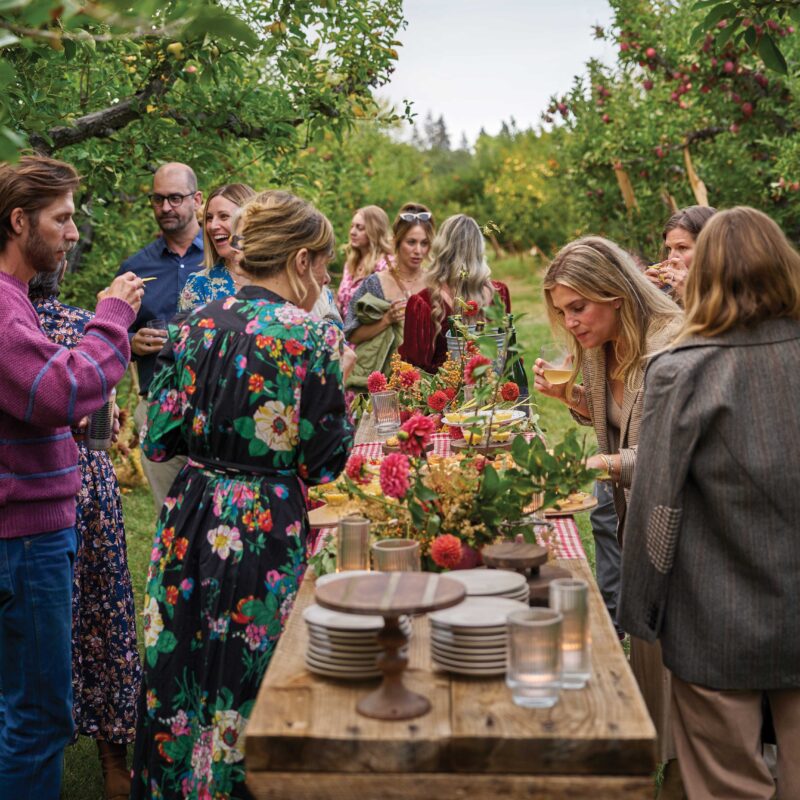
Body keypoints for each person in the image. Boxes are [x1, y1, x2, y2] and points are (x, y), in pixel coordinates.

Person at [131, 190, 354, 799]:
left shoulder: (194, 325)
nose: (326, 279)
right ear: (303, 260)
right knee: (251, 674)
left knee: (184, 668)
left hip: (191, 512)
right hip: (264, 525)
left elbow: (159, 438)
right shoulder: (314, 336)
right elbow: (330, 460)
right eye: (326, 265)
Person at [619, 207, 800, 800]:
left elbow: (657, 506)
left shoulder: (684, 369)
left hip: (715, 616)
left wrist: (639, 614)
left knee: (728, 787)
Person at [0, 155, 142, 798]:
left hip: (27, 530)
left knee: (22, 708)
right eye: (62, 218)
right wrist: (112, 315)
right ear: (19, 220)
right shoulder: (5, 308)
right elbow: (60, 391)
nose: (74, 231)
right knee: (38, 718)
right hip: (24, 540)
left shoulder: (17, 303)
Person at [534, 236, 684, 794]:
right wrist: (575, 402)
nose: (570, 323)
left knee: (683, 677)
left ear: (617, 293)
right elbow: (622, 425)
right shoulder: (603, 347)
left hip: (683, 531)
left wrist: (595, 463)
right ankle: (663, 763)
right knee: (650, 668)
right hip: (639, 526)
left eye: (578, 307)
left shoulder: (671, 347)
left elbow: (672, 456)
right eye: (561, 311)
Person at [29, 269, 141, 800]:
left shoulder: (71, 324)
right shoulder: (80, 325)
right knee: (100, 610)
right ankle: (112, 757)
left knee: (72, 614)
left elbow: (106, 417)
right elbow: (103, 423)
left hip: (63, 484)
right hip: (77, 484)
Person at [117, 161, 204, 514]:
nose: (166, 207)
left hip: (214, 406)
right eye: (158, 199)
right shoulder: (135, 269)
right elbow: (112, 333)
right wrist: (132, 342)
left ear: (197, 199)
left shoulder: (224, 260)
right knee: (170, 516)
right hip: (157, 405)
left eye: (175, 198)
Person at [399, 213, 511, 373]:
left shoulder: (422, 303)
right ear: (479, 249)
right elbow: (507, 356)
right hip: (493, 394)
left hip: (443, 396)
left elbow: (413, 370)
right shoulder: (500, 293)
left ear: (441, 249)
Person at [343, 203, 433, 388]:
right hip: (384, 388)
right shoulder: (375, 283)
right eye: (411, 242)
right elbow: (352, 335)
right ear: (397, 241)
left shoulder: (435, 284)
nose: (418, 251)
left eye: (424, 243)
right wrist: (386, 320)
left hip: (428, 386)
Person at [178, 183, 255, 312]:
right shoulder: (199, 284)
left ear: (249, 220)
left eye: (224, 216)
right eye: (209, 218)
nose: (212, 226)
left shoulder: (279, 277)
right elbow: (184, 331)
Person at [644, 205, 716, 302]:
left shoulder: (735, 291)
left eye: (682, 247)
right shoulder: (670, 292)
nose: (671, 258)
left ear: (710, 248)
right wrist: (647, 295)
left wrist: (689, 294)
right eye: (669, 249)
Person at [335, 204, 394, 317]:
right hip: (346, 332)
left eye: (360, 228)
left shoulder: (385, 265)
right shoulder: (350, 264)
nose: (352, 232)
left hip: (372, 332)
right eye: (351, 226)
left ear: (374, 231)